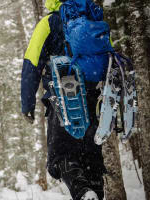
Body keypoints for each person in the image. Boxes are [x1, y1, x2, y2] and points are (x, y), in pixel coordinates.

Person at [20, 0, 106, 200]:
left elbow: (32, 64)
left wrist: (27, 104)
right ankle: (94, 193)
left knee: (61, 156)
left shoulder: (49, 23)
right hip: (95, 97)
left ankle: (83, 193)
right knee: (91, 156)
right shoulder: (92, 16)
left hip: (64, 96)